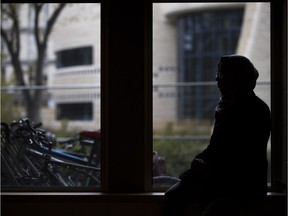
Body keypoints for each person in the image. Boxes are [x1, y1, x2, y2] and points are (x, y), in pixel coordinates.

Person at [164, 55, 271, 216]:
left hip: (242, 184)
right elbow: (217, 147)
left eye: (222, 74)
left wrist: (206, 168)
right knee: (172, 196)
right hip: (220, 176)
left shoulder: (255, 110)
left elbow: (243, 158)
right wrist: (201, 162)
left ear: (237, 78)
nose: (216, 79)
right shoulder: (228, 105)